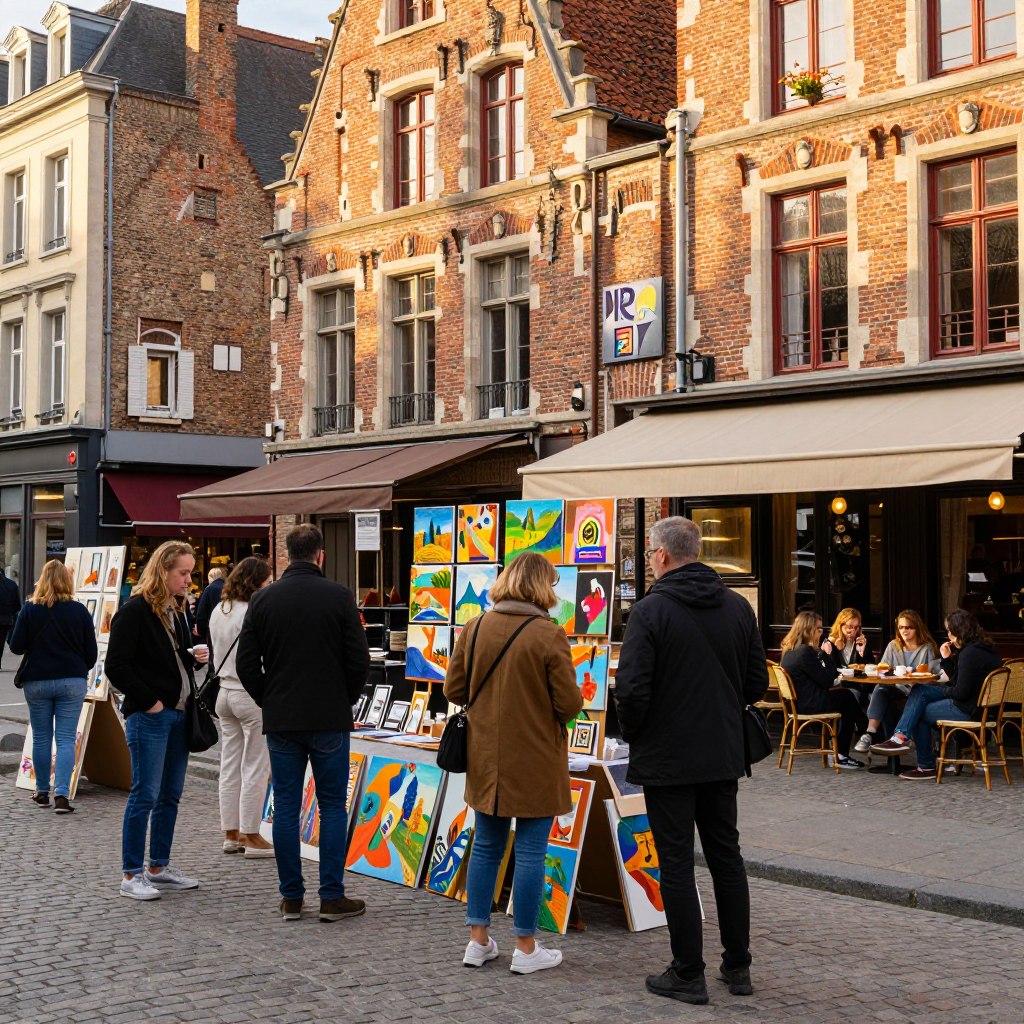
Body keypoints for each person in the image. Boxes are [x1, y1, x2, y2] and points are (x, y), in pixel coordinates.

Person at [614, 517, 769, 1005]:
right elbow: (756, 684)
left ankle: (687, 972)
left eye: (648, 554)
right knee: (727, 857)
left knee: (676, 862)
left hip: (668, 757)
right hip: (721, 753)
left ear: (661, 555)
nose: (648, 561)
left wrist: (637, 733)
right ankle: (738, 965)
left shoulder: (650, 611)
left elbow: (631, 691)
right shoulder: (737, 607)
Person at [444, 552, 582, 976]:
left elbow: (453, 689)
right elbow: (569, 704)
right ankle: (525, 946)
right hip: (536, 756)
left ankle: (477, 940)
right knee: (531, 852)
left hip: (486, 755)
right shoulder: (548, 634)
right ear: (541, 587)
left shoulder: (475, 626)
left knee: (486, 847)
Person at [236, 524, 370, 922]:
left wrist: (269, 698)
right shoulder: (339, 596)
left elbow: (247, 664)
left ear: (286, 555)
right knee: (331, 806)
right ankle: (331, 895)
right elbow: (358, 659)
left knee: (285, 806)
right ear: (320, 555)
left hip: (283, 717)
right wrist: (344, 698)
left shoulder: (263, 600)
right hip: (328, 715)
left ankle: (292, 896)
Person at [105, 540, 210, 901]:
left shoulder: (176, 611)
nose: (189, 580)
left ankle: (158, 867)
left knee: (170, 795)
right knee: (144, 795)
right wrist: (150, 702)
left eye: (190, 573)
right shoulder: (134, 611)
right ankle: (131, 873)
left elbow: (168, 659)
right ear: (162, 571)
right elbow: (116, 665)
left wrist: (193, 657)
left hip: (179, 714)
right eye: (183, 573)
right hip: (151, 717)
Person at [870, 608, 1002, 780]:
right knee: (920, 690)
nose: (948, 635)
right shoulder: (983, 648)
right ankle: (901, 738)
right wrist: (946, 660)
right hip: (983, 708)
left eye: (950, 631)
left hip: (969, 709)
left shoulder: (969, 654)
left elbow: (960, 692)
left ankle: (922, 763)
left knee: (918, 711)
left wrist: (944, 692)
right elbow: (957, 681)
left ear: (959, 631)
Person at [9, 561, 96, 813]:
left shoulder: (30, 609)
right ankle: (62, 795)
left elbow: (16, 647)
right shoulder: (79, 611)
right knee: (66, 738)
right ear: (68, 581)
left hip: (37, 680)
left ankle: (41, 792)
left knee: (41, 737)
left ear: (42, 579)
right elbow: (91, 652)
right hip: (72, 680)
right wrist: (78, 668)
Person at [208, 557, 274, 857]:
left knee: (230, 765)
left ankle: (230, 832)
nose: (270, 587)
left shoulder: (219, 610)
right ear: (255, 583)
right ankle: (251, 833)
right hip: (248, 693)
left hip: (223, 691)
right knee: (256, 766)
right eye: (267, 582)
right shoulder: (253, 612)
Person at [780, 611, 868, 768]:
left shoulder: (790, 650)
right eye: (819, 629)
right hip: (809, 703)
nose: (821, 632)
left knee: (845, 696)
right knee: (847, 697)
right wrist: (826, 655)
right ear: (808, 630)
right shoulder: (805, 652)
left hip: (797, 703)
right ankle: (855, 740)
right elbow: (827, 681)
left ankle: (861, 731)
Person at [852, 610, 940, 754]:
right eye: (901, 627)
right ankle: (869, 733)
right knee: (880, 689)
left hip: (918, 691)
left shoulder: (927, 648)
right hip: (897, 688)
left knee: (892, 700)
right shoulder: (893, 645)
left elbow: (936, 675)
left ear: (917, 628)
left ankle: (902, 740)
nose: (904, 631)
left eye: (909, 627)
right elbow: (882, 669)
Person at [195, 567, 226, 644]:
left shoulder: (209, 589)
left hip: (213, 628)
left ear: (210, 577)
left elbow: (201, 612)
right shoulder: (229, 588)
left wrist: (200, 631)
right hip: (228, 628)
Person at [0, 567, 21, 668]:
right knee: (1, 642)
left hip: (5, 618)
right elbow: (17, 605)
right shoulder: (11, 585)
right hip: (5, 620)